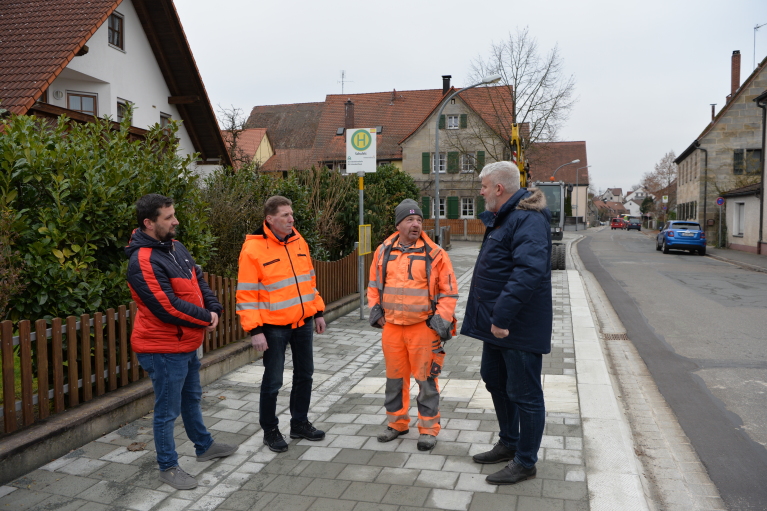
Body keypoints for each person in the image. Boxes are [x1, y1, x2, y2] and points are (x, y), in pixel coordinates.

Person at [126, 194, 237, 490]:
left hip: (185, 343)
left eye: (174, 215)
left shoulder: (175, 247)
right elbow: (167, 306)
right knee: (166, 411)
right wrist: (205, 317)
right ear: (149, 223)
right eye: (168, 217)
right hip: (161, 348)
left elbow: (198, 281)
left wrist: (214, 309)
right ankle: (168, 466)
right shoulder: (142, 261)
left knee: (192, 398)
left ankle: (204, 446)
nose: (176, 221)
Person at [460, 161, 553, 485]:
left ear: (499, 188)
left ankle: (525, 461)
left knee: (525, 394)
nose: (481, 191)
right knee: (494, 379)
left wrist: (501, 317)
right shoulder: (506, 217)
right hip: (498, 326)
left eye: (483, 186)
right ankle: (509, 442)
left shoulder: (527, 219)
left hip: (516, 326)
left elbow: (529, 272)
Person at [236, 195, 327, 453]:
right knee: (273, 380)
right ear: (269, 219)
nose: (291, 219)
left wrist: (318, 311)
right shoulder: (253, 250)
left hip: (303, 322)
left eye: (291, 213)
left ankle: (299, 423)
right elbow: (246, 293)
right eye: (285, 215)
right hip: (273, 328)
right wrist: (255, 330)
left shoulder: (299, 241)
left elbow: (309, 281)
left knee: (305, 375)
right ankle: (270, 430)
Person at [368, 199, 457, 451]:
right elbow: (374, 285)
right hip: (393, 328)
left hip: (422, 328)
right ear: (398, 225)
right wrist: (376, 312)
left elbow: (449, 292)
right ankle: (397, 424)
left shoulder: (436, 254)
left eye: (419, 220)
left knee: (427, 380)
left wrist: (440, 321)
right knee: (394, 379)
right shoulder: (383, 251)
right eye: (409, 220)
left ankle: (428, 429)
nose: (416, 224)